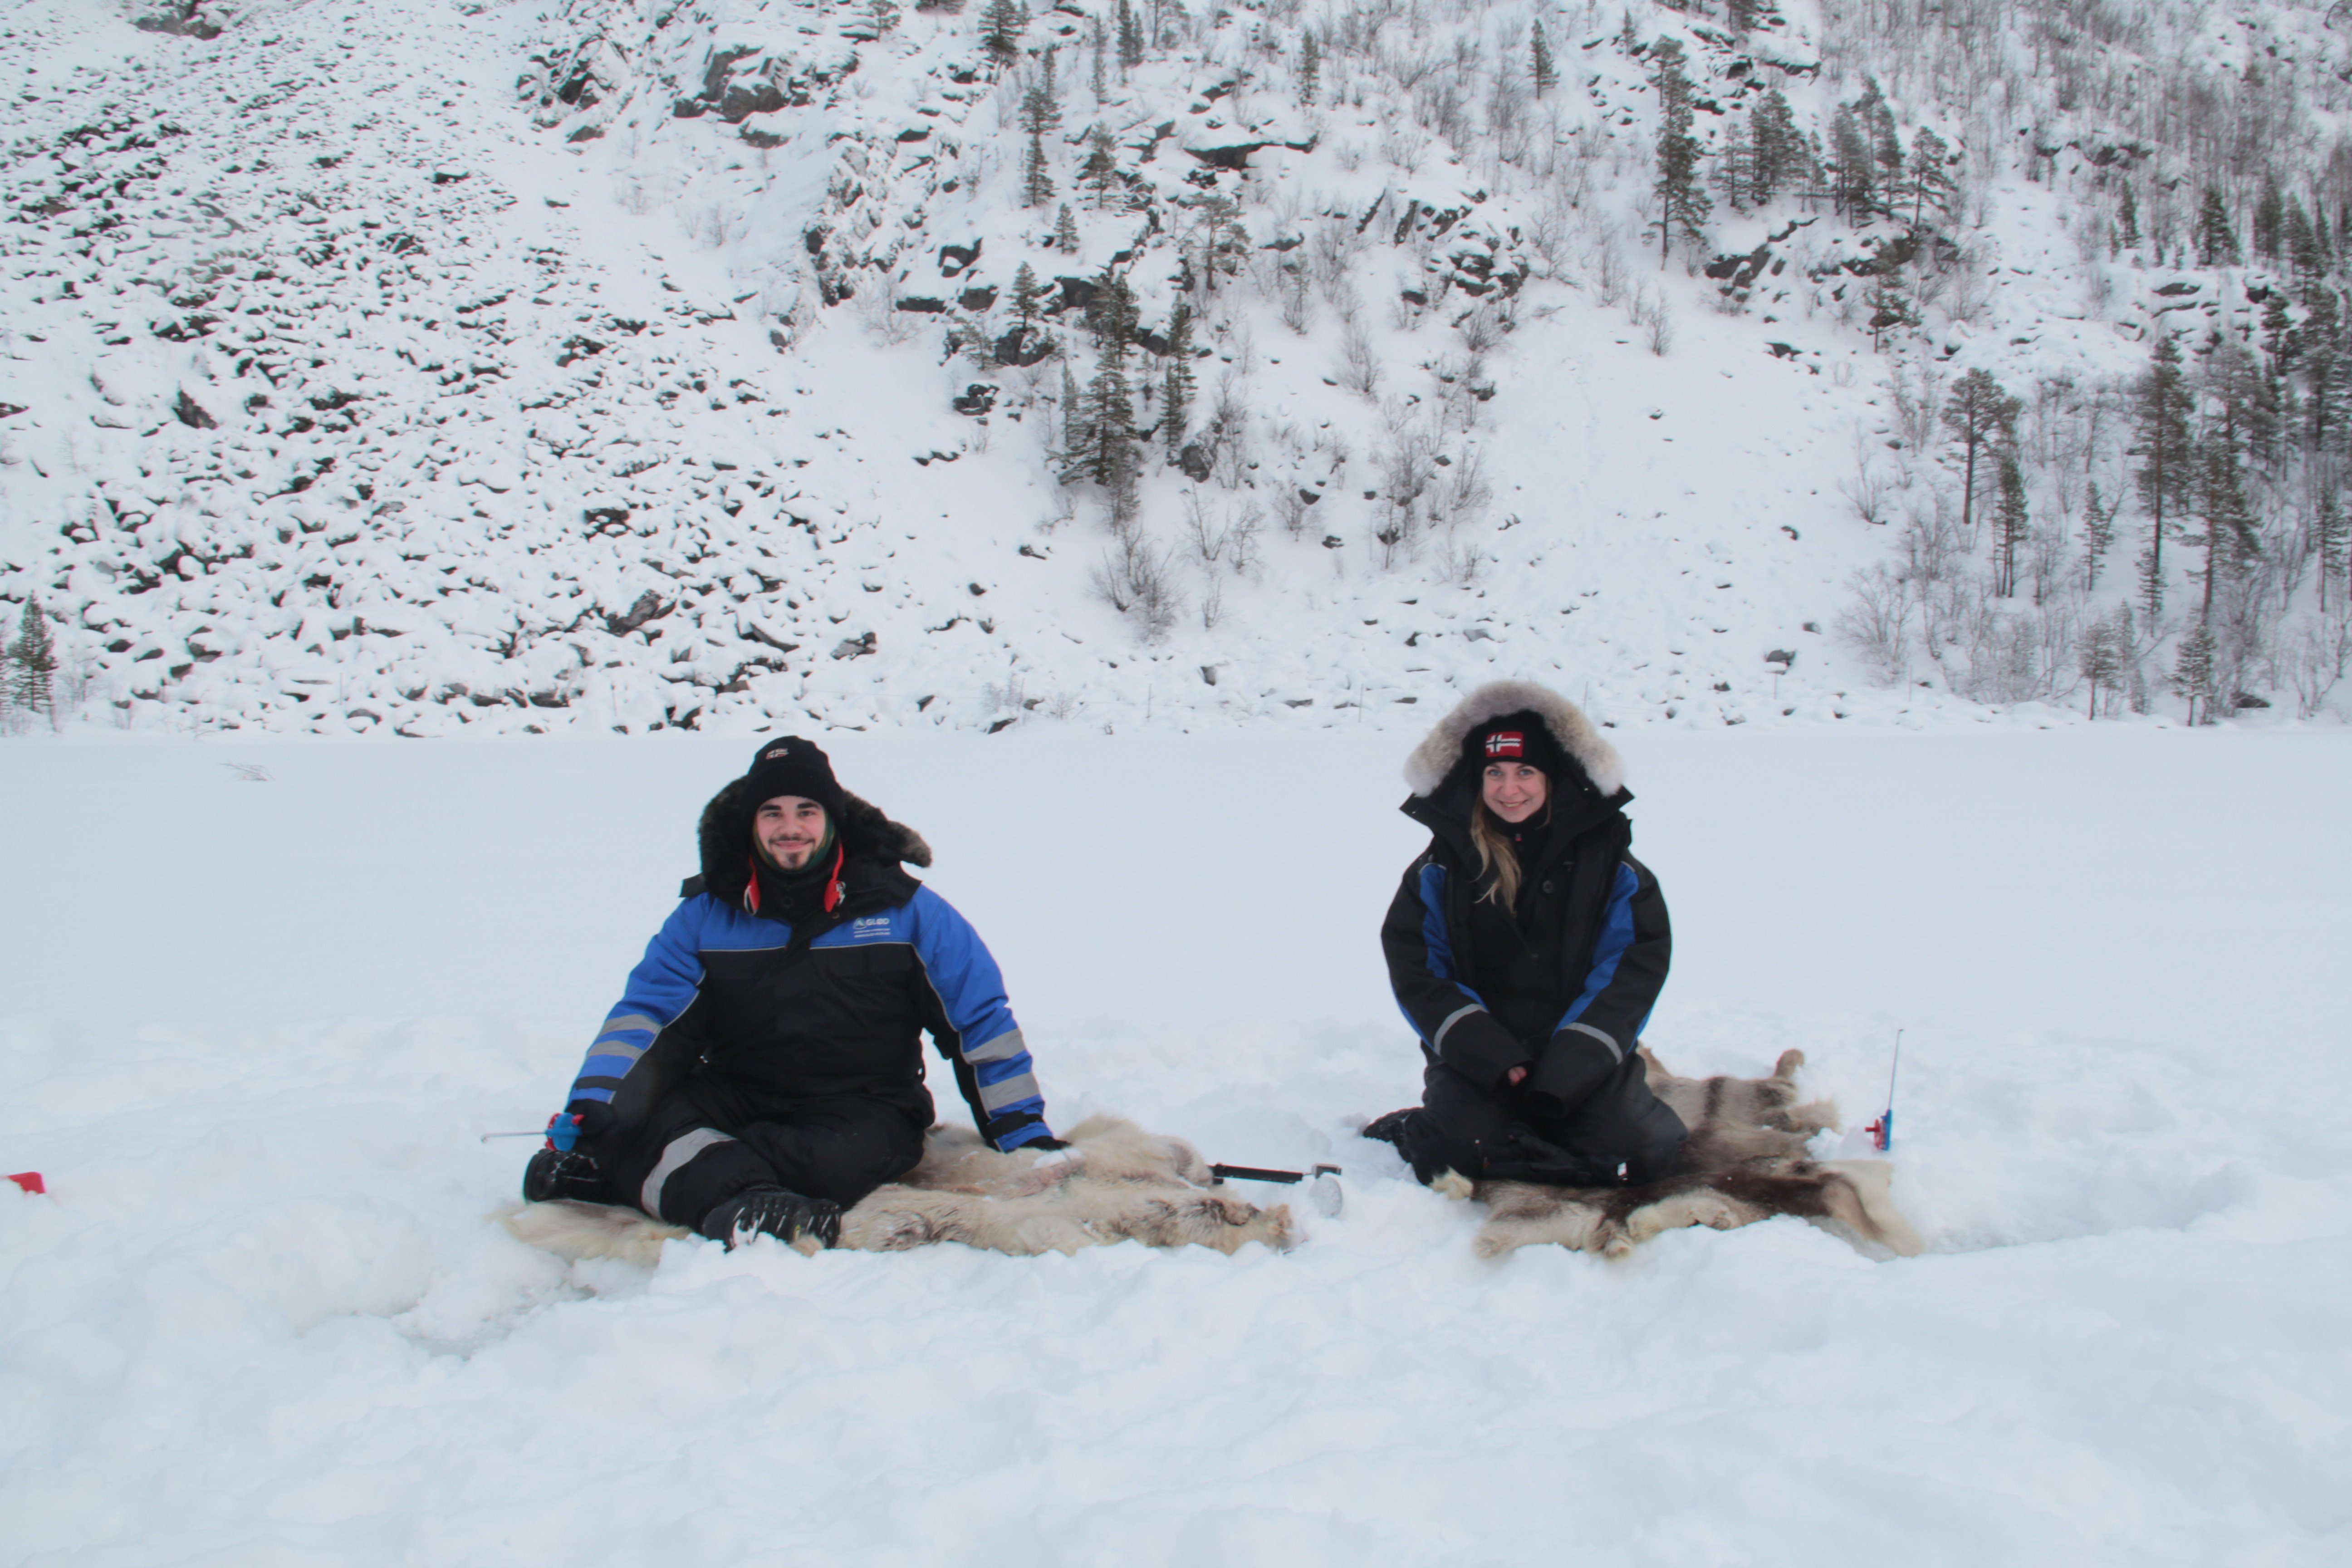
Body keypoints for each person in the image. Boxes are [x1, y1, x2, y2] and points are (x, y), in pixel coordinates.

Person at [524, 736, 1058, 1248]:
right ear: (751, 824)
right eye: (772, 813)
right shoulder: (703, 917)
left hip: (862, 1105)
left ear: (832, 819)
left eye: (806, 810)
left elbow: (979, 1023)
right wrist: (597, 1105)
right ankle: (742, 1201)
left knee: (830, 1164)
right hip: (738, 1093)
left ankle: (673, 1178)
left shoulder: (908, 910)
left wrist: (1021, 1131)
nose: (790, 827)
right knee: (633, 1119)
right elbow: (647, 1016)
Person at [1369, 681, 1685, 1188]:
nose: (1508, 788)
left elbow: (1631, 969)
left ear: (1553, 777)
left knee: (1641, 1153)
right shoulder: (1438, 870)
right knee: (1455, 1154)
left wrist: (1575, 1056)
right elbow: (1418, 970)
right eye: (1494, 772)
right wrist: (1490, 1055)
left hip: (1578, 1056)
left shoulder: (1615, 870)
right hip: (1481, 1058)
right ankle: (1428, 1124)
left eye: (1525, 772)